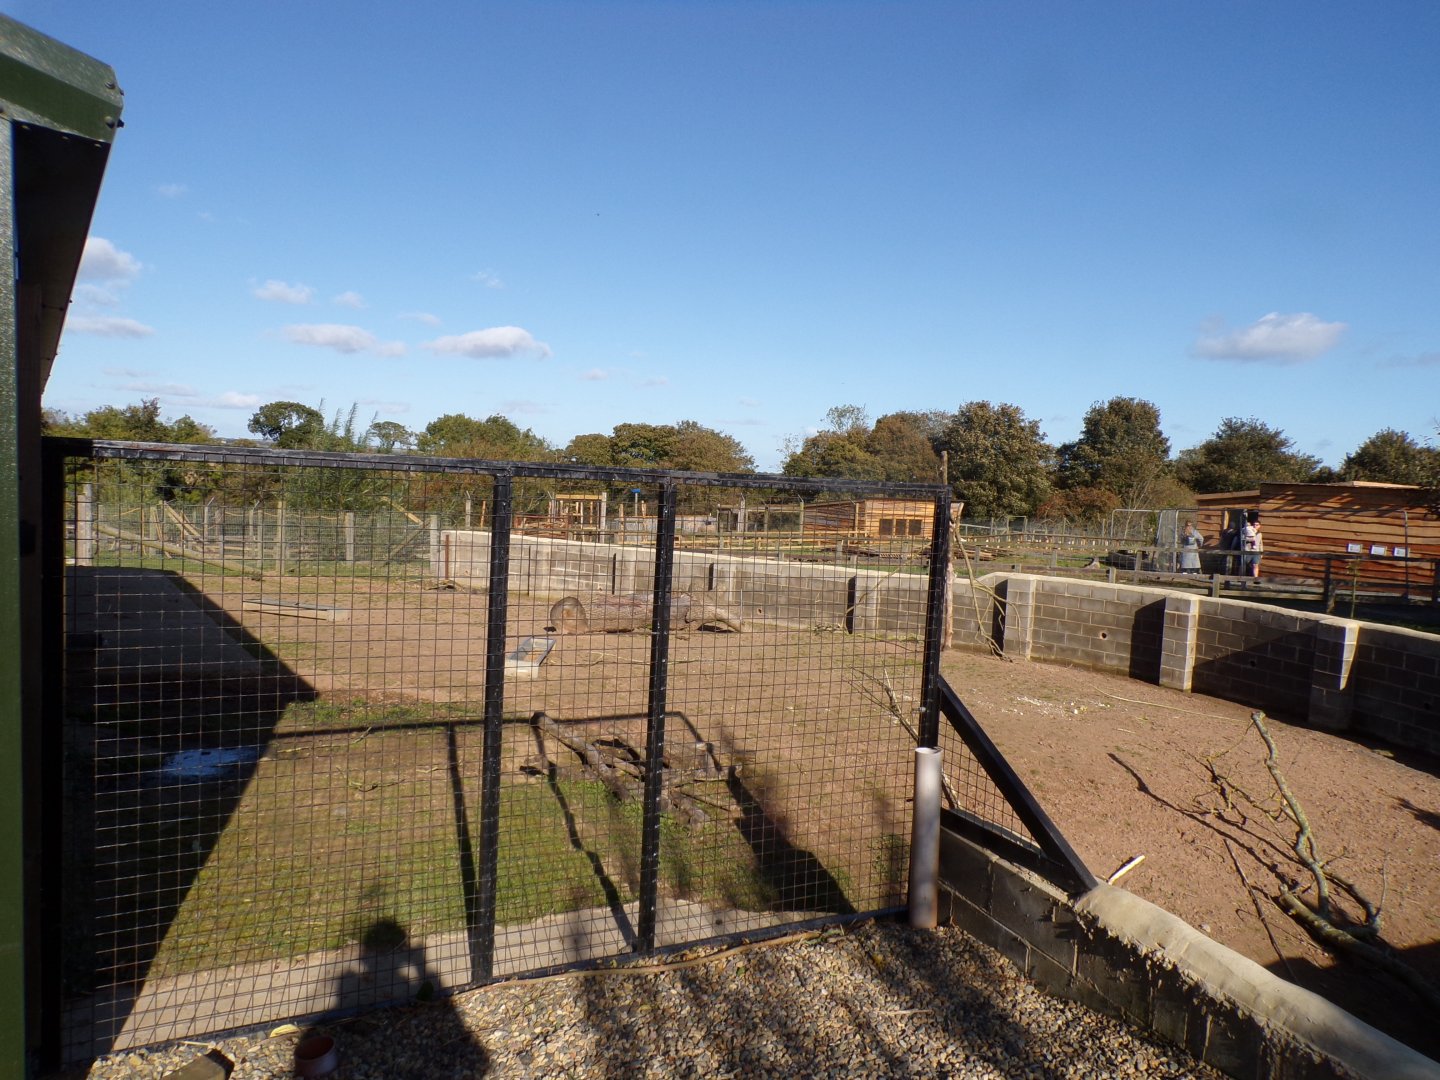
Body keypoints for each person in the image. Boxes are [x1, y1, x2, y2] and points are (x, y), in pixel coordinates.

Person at [1241, 510, 1263, 578]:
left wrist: (1261, 552)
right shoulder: (1247, 531)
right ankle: (1241, 578)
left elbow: (1260, 543)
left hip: (1256, 552)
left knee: (1255, 565)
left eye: (1257, 525)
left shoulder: (1259, 534)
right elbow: (1243, 539)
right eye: (1254, 524)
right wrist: (1250, 539)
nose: (1255, 526)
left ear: (1259, 526)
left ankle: (1255, 579)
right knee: (1243, 565)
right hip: (1247, 551)